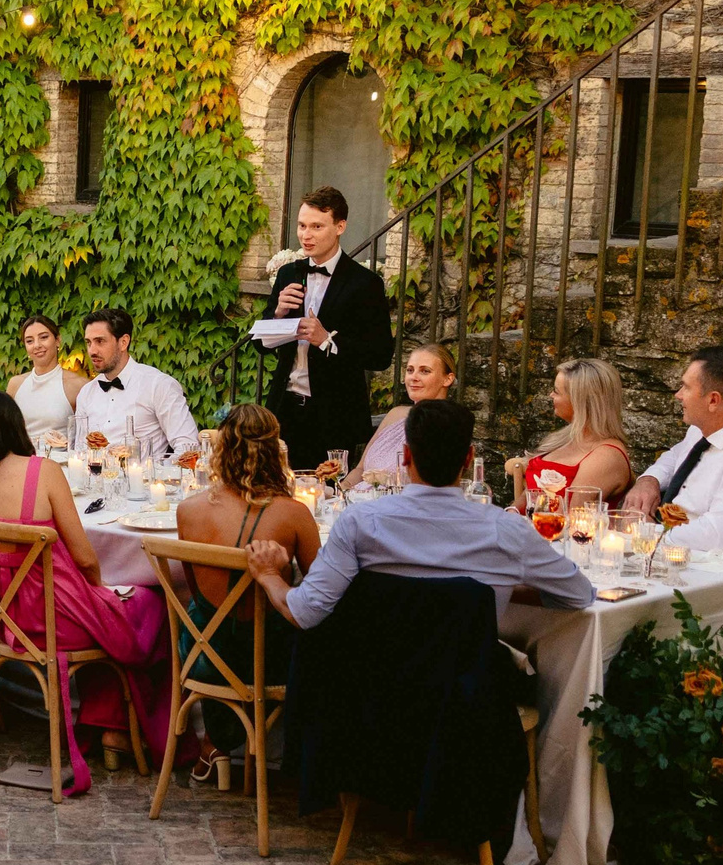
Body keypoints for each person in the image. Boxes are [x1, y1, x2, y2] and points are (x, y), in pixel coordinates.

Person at [0, 390, 169, 792]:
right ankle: (117, 732)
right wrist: (102, 594)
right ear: (14, 425)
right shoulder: (42, 471)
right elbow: (86, 559)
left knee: (120, 615)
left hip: (8, 622)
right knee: (153, 603)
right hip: (59, 621)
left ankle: (107, 728)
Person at [244, 399, 595, 629]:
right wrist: (500, 583)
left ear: (406, 455)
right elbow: (579, 595)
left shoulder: (361, 523)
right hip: (466, 703)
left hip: (377, 698)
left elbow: (305, 613)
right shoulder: (507, 531)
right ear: (469, 459)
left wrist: (269, 574)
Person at [175, 405, 322, 781]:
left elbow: (198, 591)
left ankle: (216, 742)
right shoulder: (293, 514)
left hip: (203, 653)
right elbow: (322, 594)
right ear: (276, 452)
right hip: (264, 659)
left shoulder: (187, 510)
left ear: (221, 450)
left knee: (199, 612)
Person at [260, 187, 396, 472]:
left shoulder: (365, 283)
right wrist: (277, 314)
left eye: (317, 227)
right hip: (283, 410)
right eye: (301, 226)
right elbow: (260, 345)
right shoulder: (288, 273)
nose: (306, 235)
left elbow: (380, 355)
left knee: (327, 498)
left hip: (335, 416)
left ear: (340, 227)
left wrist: (327, 341)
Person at [622, 345, 723, 555]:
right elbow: (674, 457)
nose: (678, 395)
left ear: (713, 400)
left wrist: (646, 532)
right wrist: (649, 481)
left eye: (686, 387)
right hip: (669, 557)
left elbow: (714, 536)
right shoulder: (701, 430)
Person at [68, 307, 200, 465]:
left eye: (100, 341)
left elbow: (187, 446)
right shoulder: (87, 392)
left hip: (143, 486)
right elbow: (80, 449)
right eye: (88, 342)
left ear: (123, 342)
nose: (92, 351)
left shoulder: (158, 385)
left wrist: (154, 473)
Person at [332, 341, 456, 491]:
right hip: (358, 501)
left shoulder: (450, 423)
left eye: (425, 371)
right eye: (410, 370)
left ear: (447, 379)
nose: (414, 377)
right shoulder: (396, 414)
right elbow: (360, 469)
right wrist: (342, 490)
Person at [520, 357, 635, 506]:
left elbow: (572, 515)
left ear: (580, 401)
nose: (551, 395)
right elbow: (531, 492)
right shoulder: (565, 437)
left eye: (556, 391)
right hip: (526, 526)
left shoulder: (606, 456)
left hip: (557, 528)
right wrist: (512, 512)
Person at [7, 314, 84, 447]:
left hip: (61, 463)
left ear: (58, 340)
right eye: (29, 341)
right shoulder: (16, 384)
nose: (37, 345)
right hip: (22, 462)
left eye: (43, 337)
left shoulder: (78, 385)